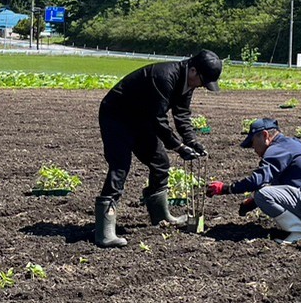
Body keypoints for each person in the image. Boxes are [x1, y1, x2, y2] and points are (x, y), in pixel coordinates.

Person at [94, 49, 221, 248]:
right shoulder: (164, 77)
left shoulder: (187, 81)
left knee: (160, 162)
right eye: (203, 82)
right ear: (194, 71)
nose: (202, 87)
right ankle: (104, 230)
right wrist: (178, 146)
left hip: (140, 118)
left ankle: (161, 216)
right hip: (117, 116)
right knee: (120, 166)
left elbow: (182, 114)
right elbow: (159, 120)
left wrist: (192, 141)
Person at [206, 117, 301, 243]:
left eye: (253, 143)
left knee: (263, 194)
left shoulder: (277, 149)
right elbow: (279, 184)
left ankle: (299, 232)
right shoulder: (289, 145)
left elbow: (257, 180)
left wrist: (225, 188)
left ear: (265, 135)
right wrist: (254, 203)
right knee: (262, 194)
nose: (253, 149)